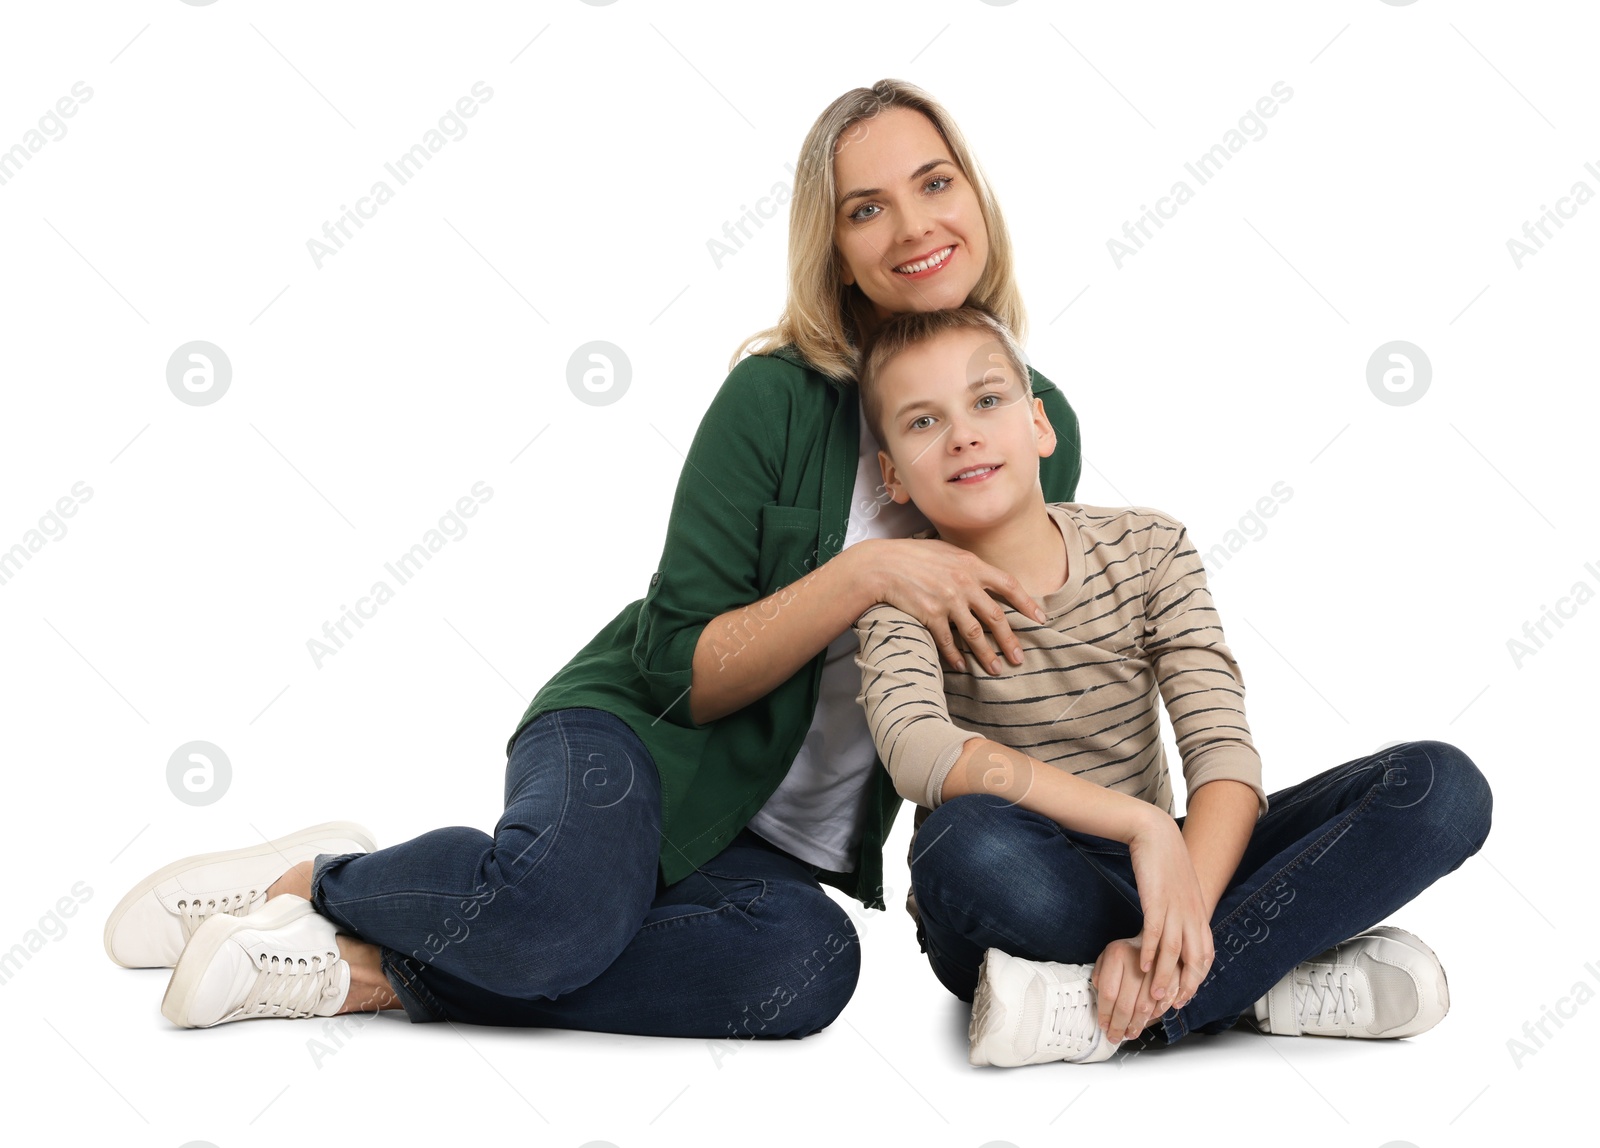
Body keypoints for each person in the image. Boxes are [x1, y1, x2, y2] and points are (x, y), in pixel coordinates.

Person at [99, 79, 1090, 1034]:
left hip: (770, 848)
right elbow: (678, 672)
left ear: (974, 192)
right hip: (633, 743)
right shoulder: (775, 398)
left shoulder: (1041, 427)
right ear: (832, 251)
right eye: (866, 208)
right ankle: (320, 881)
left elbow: (1010, 679)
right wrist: (867, 574)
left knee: (807, 967)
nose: (914, 225)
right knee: (556, 916)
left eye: (934, 181)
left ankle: (379, 967)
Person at [850, 304, 1494, 1066]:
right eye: (923, 423)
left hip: (1184, 875)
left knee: (1440, 788)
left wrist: (1181, 882)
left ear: (1039, 426)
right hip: (1027, 884)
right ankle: (1255, 980)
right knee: (961, 844)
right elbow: (920, 751)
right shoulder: (899, 596)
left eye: (987, 401)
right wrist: (1143, 826)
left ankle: (1102, 1008)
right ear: (892, 474)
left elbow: (1222, 750)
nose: (963, 433)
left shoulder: (1149, 546)